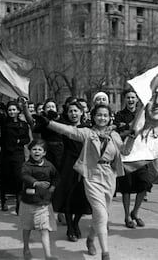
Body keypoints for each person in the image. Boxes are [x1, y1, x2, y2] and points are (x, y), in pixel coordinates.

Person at [33, 104, 124, 260]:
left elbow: (126, 151)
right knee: (101, 214)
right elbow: (69, 131)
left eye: (105, 115)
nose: (102, 118)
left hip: (109, 177)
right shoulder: (87, 133)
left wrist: (134, 137)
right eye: (99, 115)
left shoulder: (115, 135)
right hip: (92, 177)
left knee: (100, 215)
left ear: (110, 118)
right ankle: (105, 254)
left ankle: (90, 239)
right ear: (93, 117)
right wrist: (49, 123)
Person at [51, 101, 92, 242]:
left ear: (82, 112)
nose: (73, 114)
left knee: (82, 197)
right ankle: (70, 227)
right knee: (67, 196)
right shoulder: (64, 127)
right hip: (68, 165)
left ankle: (76, 222)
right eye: (70, 111)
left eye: (76, 111)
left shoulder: (88, 129)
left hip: (84, 164)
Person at [115, 89, 151, 228]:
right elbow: (118, 134)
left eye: (133, 98)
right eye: (128, 97)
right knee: (127, 188)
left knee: (144, 183)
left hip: (141, 155)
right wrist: (130, 128)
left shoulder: (143, 114)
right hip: (126, 156)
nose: (130, 100)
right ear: (124, 99)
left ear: (137, 99)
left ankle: (135, 212)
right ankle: (126, 218)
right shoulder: (119, 115)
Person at [20, 138, 59, 260]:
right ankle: (26, 248)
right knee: (27, 227)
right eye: (34, 149)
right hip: (28, 202)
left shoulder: (49, 166)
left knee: (44, 229)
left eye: (40, 150)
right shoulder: (27, 165)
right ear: (30, 151)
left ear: (44, 153)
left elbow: (56, 178)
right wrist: (35, 182)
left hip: (43, 203)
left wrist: (52, 188)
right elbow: (24, 175)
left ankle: (48, 255)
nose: (37, 152)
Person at [0, 101, 30, 213]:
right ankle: (3, 201)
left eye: (14, 109)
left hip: (18, 155)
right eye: (9, 110)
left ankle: (19, 204)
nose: (11, 112)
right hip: (6, 155)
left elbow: (27, 139)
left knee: (19, 179)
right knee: (4, 177)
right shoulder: (5, 122)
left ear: (18, 111)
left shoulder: (23, 124)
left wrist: (20, 141)